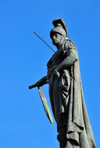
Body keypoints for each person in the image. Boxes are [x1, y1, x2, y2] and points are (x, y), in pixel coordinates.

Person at [30, 18, 96, 148]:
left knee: (69, 117)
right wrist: (44, 79)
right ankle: (64, 143)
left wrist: (58, 68)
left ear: (63, 35)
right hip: (56, 92)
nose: (53, 38)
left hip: (66, 90)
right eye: (52, 36)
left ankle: (71, 143)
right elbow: (52, 72)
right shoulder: (54, 58)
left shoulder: (68, 44)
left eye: (56, 35)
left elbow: (73, 57)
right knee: (61, 122)